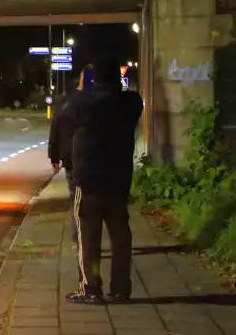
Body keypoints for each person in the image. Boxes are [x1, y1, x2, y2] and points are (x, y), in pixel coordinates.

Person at [60, 57, 143, 305]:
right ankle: (120, 289)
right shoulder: (131, 102)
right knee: (120, 236)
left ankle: (91, 288)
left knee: (89, 237)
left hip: (88, 180)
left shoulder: (82, 102)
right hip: (118, 180)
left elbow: (66, 118)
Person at [48, 73, 85, 247]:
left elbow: (54, 130)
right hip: (86, 158)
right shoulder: (92, 101)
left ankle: (78, 239)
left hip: (69, 158)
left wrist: (53, 156)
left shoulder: (64, 102)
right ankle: (83, 239)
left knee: (76, 200)